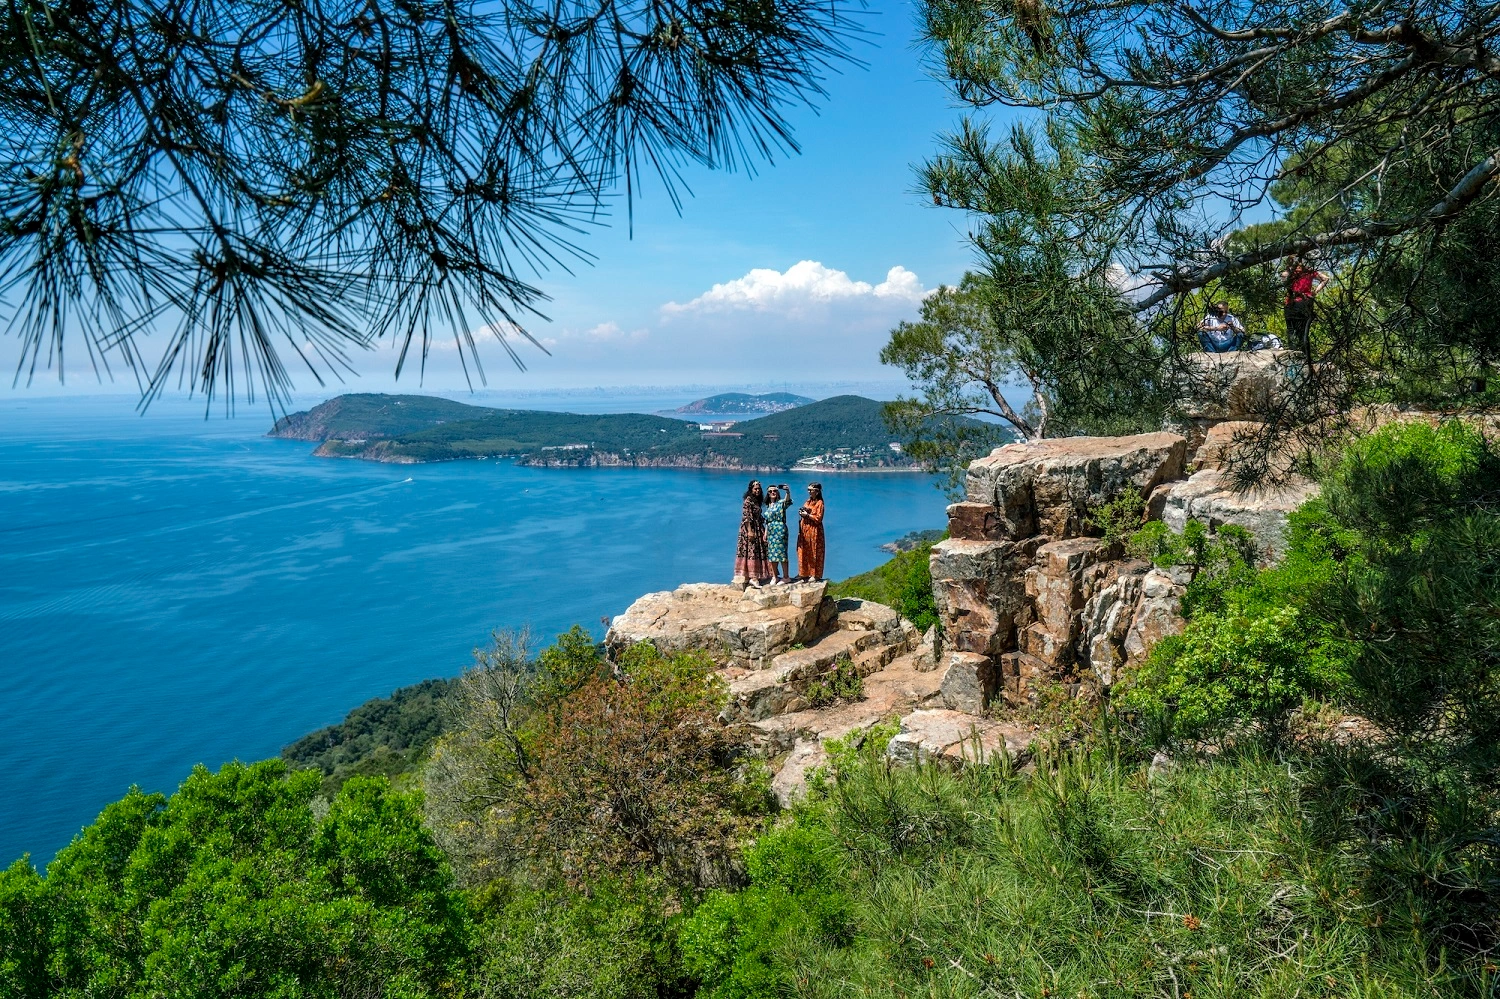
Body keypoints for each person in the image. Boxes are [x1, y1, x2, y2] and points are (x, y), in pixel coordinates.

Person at [1280, 256, 1327, 361]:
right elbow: (1325, 279)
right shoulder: (1309, 272)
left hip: (1291, 303)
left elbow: (1283, 278)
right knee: (1303, 332)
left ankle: (1294, 358)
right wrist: (1314, 292)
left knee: (1291, 330)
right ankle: (1306, 358)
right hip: (1306, 302)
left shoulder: (1289, 273)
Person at [733, 480, 773, 586]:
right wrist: (750, 531)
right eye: (755, 489)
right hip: (749, 528)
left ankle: (755, 575)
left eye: (759, 488)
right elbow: (746, 517)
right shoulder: (748, 501)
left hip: (758, 527)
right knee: (752, 551)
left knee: (758, 550)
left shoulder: (756, 501)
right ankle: (753, 577)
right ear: (751, 489)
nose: (758, 490)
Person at [796, 482, 825, 582]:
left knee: (814, 551)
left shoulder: (820, 503)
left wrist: (807, 515)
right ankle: (803, 573)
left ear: (816, 492)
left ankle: (814, 574)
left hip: (814, 530)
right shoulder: (808, 501)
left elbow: (818, 518)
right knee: (803, 551)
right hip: (805, 529)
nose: (808, 492)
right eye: (808, 490)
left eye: (810, 490)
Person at [763, 484, 792, 584]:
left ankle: (786, 577)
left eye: (774, 491)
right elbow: (767, 521)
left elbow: (787, 500)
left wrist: (787, 492)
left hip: (780, 529)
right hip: (771, 531)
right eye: (770, 491)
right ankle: (775, 576)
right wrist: (765, 533)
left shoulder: (781, 503)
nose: (772, 493)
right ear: (768, 494)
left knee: (781, 553)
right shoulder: (768, 506)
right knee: (772, 554)